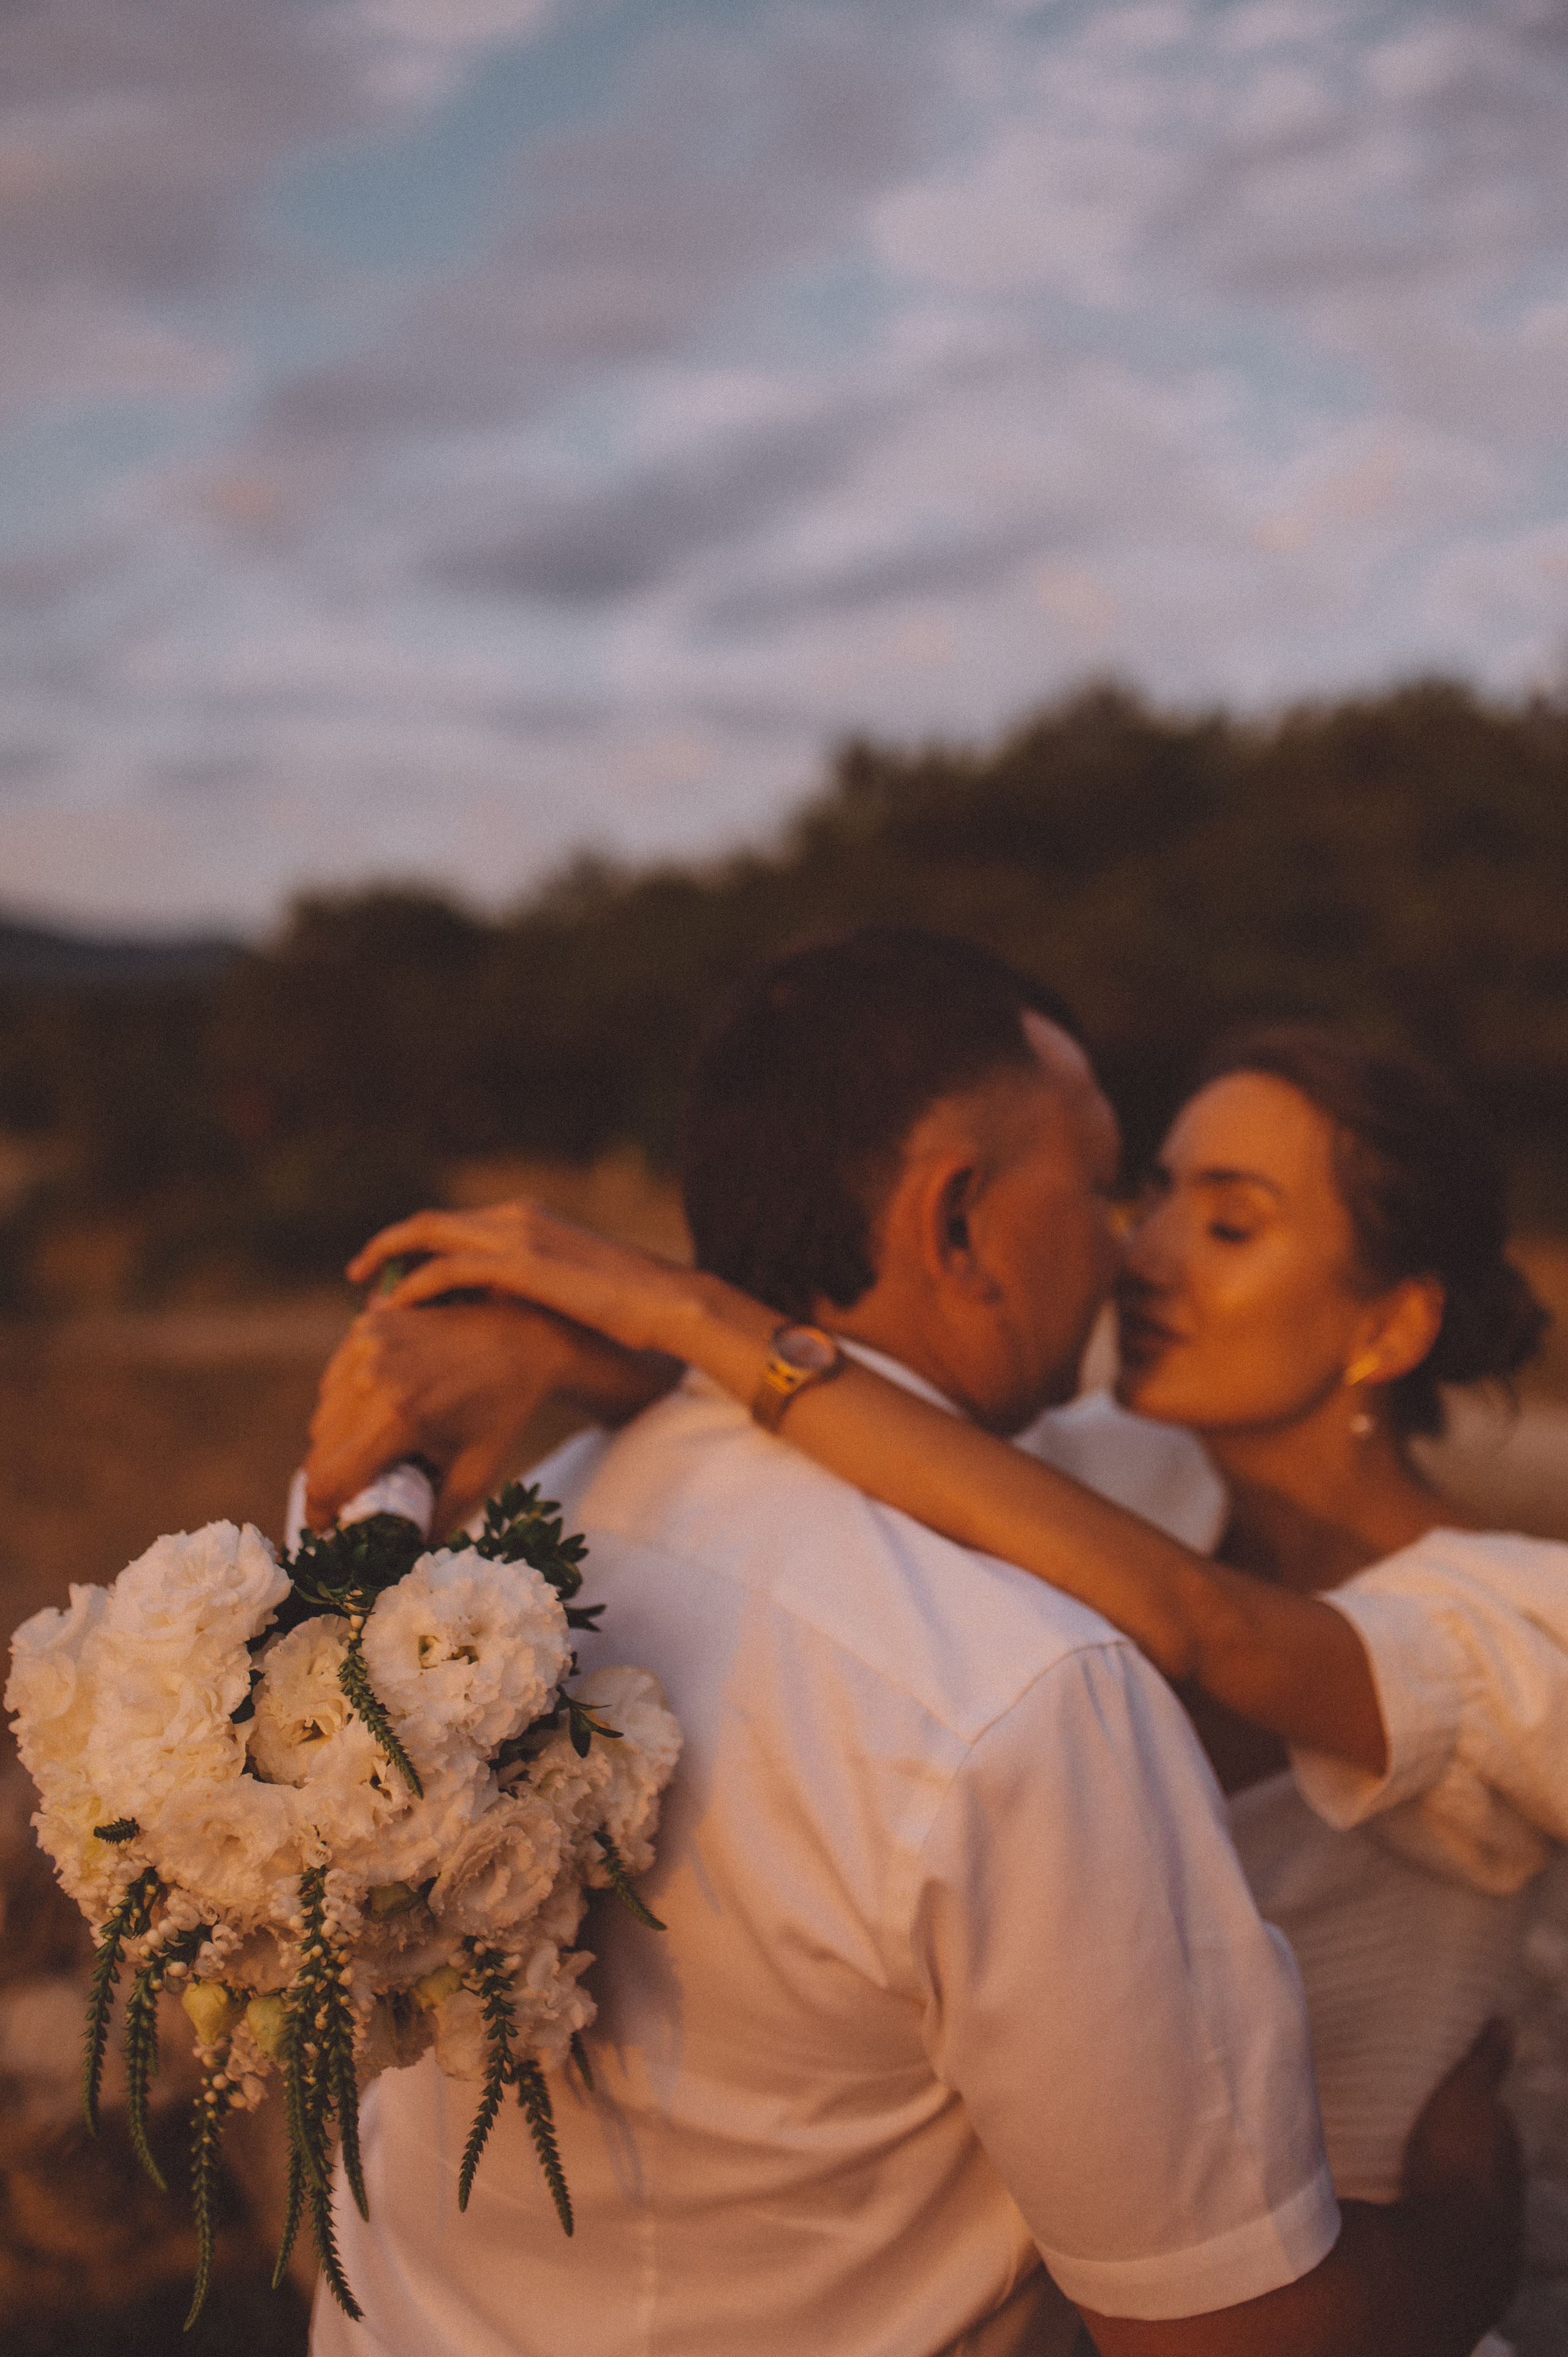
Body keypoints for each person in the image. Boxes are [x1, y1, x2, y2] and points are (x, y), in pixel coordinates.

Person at [308, 930, 1520, 2355]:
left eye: (1221, 1216)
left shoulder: (533, 1534)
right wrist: (1472, 2223)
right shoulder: (1024, 1676)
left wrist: (638, 1337)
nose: (1134, 1247)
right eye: (1112, 1181)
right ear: (957, 1223)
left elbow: (1020, 1500)